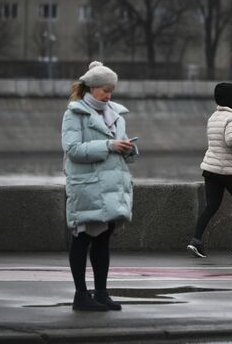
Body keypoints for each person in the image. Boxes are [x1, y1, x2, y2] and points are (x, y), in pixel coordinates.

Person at [61, 61, 138, 311]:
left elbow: (120, 143)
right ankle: (81, 296)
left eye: (111, 90)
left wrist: (129, 149)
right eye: (105, 90)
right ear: (92, 88)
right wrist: (109, 146)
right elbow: (72, 150)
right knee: (82, 239)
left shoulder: (115, 112)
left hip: (111, 187)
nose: (109, 95)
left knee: (103, 241)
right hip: (87, 187)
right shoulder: (75, 113)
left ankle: (101, 293)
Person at [187, 83, 232, 258]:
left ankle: (195, 241)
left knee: (211, 206)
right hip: (229, 170)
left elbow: (221, 140)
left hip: (211, 168)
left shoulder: (214, 116)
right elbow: (231, 141)